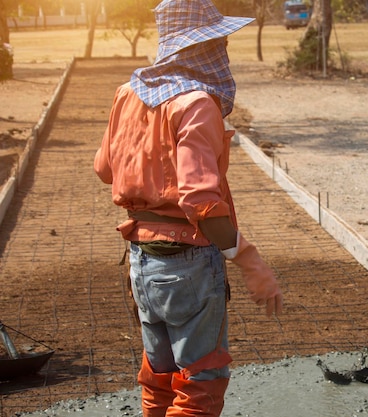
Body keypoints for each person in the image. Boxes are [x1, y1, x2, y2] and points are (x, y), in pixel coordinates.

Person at [93, 0, 283, 415]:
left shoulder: (127, 94)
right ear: (204, 47)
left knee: (159, 379)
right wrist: (250, 262)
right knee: (201, 385)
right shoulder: (195, 103)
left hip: (141, 261)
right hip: (188, 264)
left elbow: (104, 169)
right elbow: (199, 200)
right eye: (218, 42)